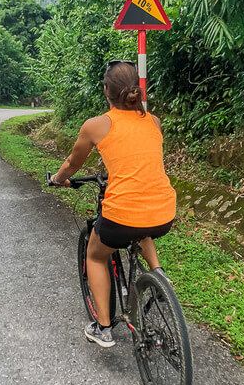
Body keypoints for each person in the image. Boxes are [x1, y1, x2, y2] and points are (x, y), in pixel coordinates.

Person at [49, 60, 176, 348]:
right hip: (164, 211)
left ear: (107, 91)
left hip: (122, 216)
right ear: (137, 90)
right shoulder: (153, 121)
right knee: (141, 221)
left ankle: (104, 327)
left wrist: (58, 180)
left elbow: (71, 163)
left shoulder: (96, 126)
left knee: (96, 255)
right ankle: (158, 275)